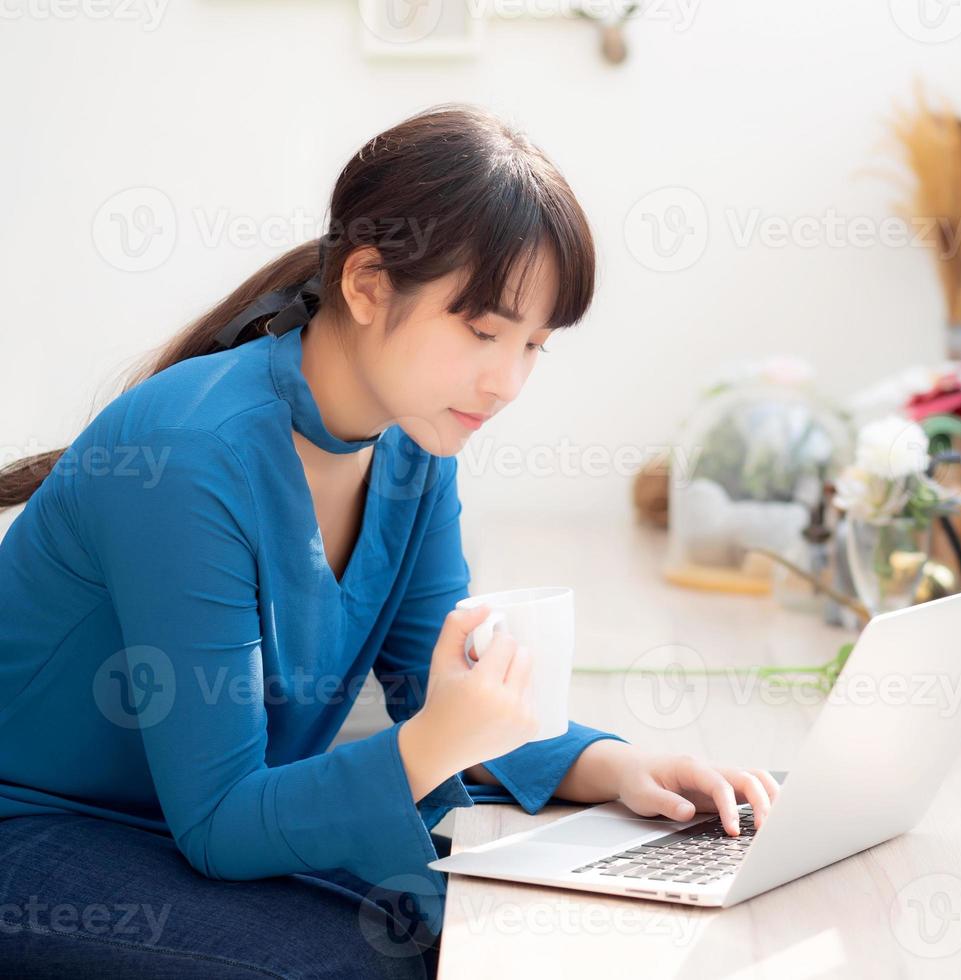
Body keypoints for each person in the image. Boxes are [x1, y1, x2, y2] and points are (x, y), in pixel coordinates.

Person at [0, 103, 780, 979]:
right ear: (368, 285)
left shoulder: (417, 442)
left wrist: (625, 766)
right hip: (37, 832)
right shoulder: (193, 457)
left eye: (535, 346)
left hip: (192, 828)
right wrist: (444, 736)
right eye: (483, 332)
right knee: (381, 960)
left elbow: (437, 694)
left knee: (484, 927)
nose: (508, 381)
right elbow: (222, 819)